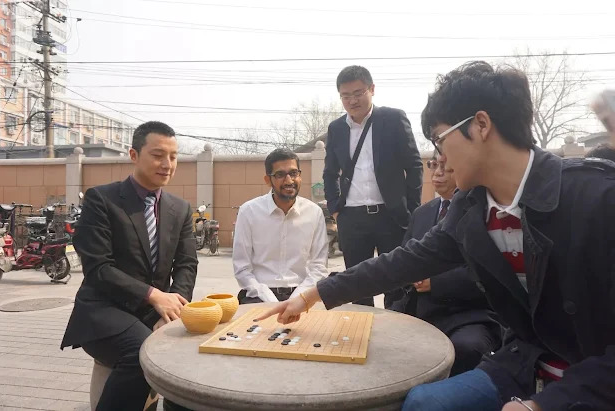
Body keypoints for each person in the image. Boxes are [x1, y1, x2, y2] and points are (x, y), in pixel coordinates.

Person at [258, 61, 615, 411]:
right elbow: (401, 262)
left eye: (439, 140)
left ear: (480, 125)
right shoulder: (472, 210)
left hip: (593, 379)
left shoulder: (596, 199)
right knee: (424, 402)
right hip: (523, 364)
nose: (438, 157)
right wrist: (313, 296)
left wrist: (541, 404)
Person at [61, 121, 198, 411]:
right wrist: (154, 296)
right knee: (141, 351)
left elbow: (186, 264)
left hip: (154, 310)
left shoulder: (181, 208)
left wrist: (174, 306)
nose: (168, 164)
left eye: (173, 156)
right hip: (103, 309)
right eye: (158, 155)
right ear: (134, 155)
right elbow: (99, 268)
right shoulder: (102, 199)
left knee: (195, 353)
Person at [390, 152, 502, 376]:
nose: (438, 172)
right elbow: (405, 259)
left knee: (466, 348)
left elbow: (490, 274)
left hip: (468, 314)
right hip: (420, 310)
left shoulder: (485, 212)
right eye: (434, 165)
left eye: (445, 166)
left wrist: (435, 283)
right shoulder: (422, 213)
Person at [323, 65, 423, 307]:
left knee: (397, 284)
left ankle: (397, 338)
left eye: (358, 93)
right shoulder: (337, 129)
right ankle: (360, 338)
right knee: (357, 287)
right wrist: (336, 208)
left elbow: (414, 165)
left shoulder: (392, 119)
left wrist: (411, 209)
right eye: (346, 96)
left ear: (372, 89)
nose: (352, 100)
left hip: (391, 215)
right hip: (352, 218)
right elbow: (329, 173)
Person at [233, 148, 328, 304]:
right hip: (259, 295)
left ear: (300, 176)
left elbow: (319, 267)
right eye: (280, 175)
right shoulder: (248, 212)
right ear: (267, 180)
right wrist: (271, 301)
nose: (289, 180)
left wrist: (298, 299)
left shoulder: (314, 212)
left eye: (293, 173)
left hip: (302, 293)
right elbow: (242, 269)